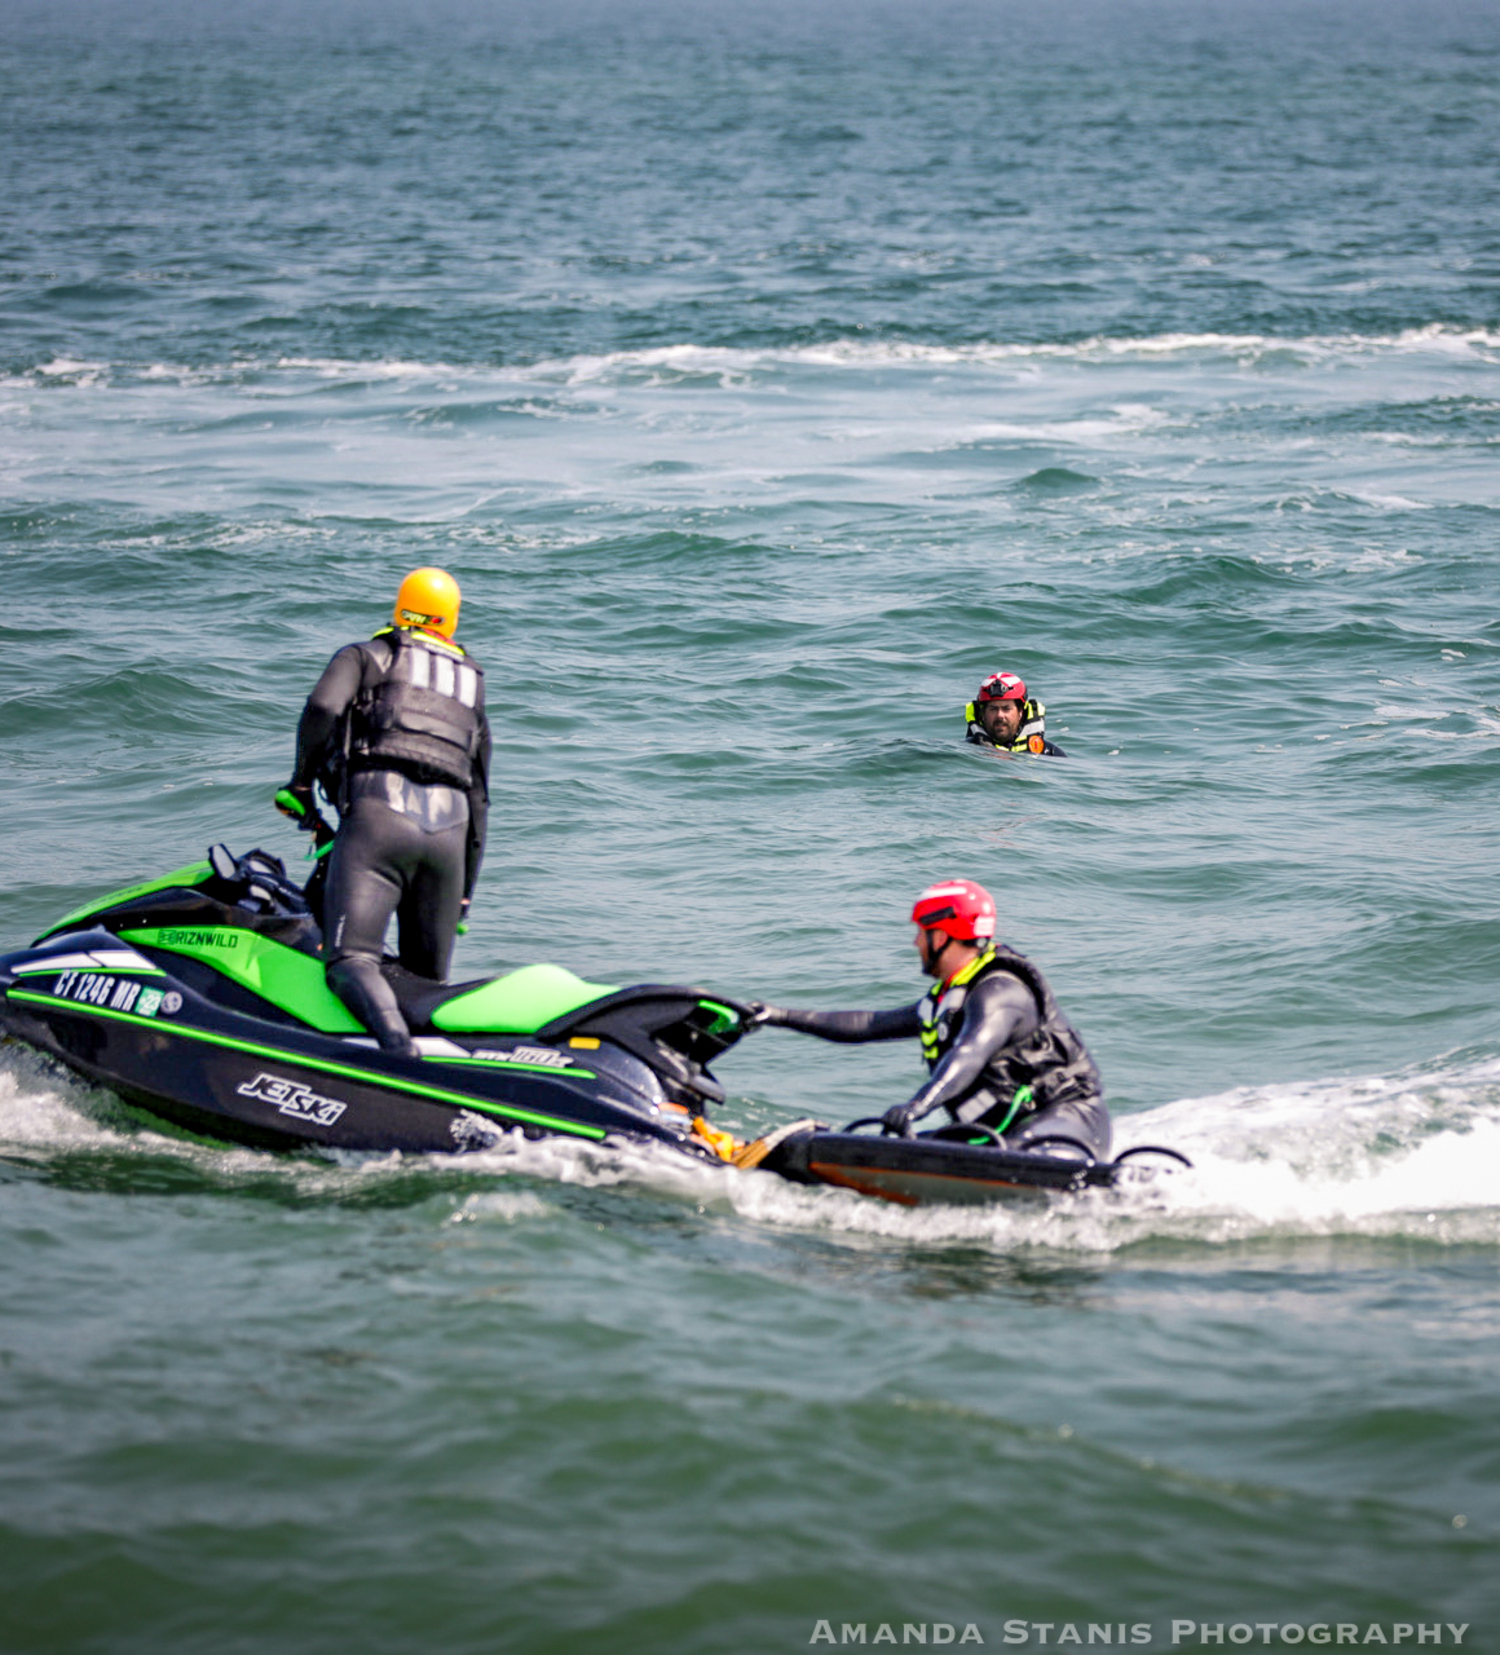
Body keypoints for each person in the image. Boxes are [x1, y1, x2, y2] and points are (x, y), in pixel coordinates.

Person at [276, 567, 490, 1056]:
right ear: (451, 623)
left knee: (351, 961)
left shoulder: (366, 656)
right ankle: (436, 1079)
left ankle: (399, 1062)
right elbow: (479, 795)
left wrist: (302, 783)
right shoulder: (470, 685)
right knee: (424, 986)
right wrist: (464, 895)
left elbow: (323, 708)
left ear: (399, 610)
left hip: (380, 821)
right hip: (449, 840)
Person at [749, 879, 1108, 1155]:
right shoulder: (946, 1000)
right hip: (1000, 1130)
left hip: (1069, 1120)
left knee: (1015, 1155)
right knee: (895, 1148)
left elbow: (969, 1053)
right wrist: (778, 1015)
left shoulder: (1000, 993)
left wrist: (918, 1106)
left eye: (921, 932)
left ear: (944, 934)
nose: (916, 943)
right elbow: (867, 1025)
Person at [964, 672, 1065, 755]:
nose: (1000, 715)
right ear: (983, 714)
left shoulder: (1050, 753)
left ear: (1020, 712)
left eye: (1006, 709)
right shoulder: (967, 753)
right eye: (993, 709)